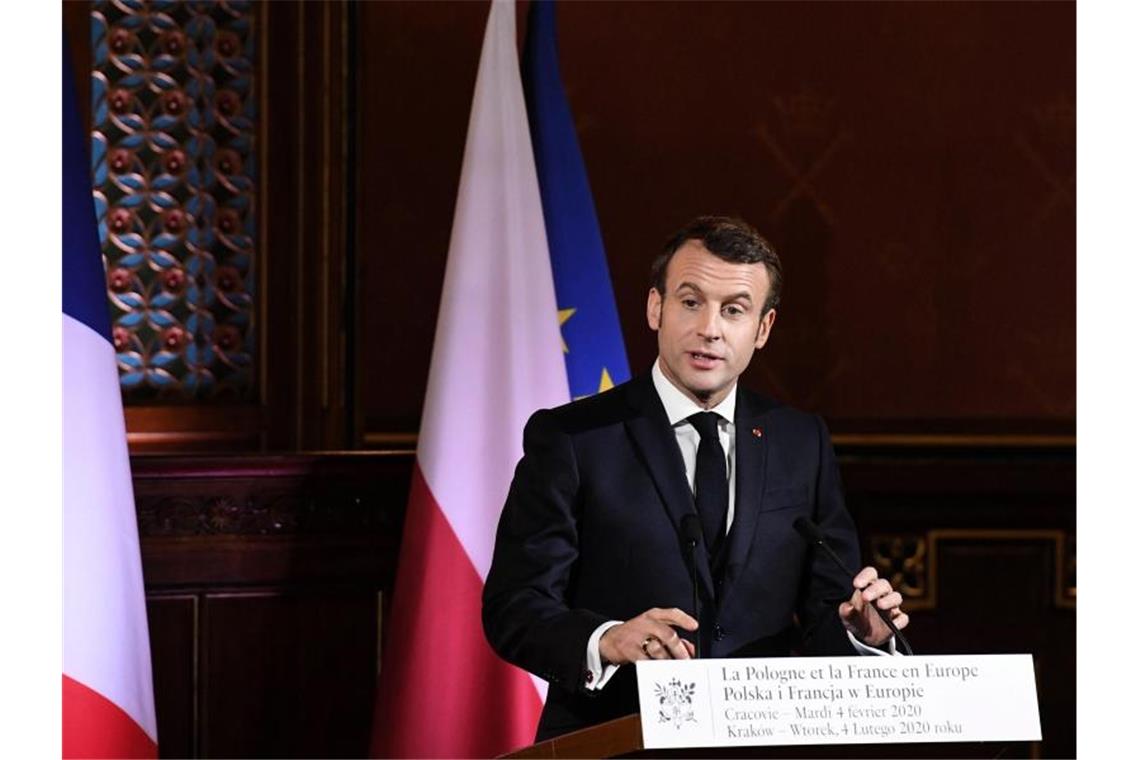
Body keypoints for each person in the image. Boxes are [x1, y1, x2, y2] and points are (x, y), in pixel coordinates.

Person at [482, 216, 909, 741]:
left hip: (762, 746)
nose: (710, 328)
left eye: (734, 310)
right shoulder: (574, 438)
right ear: (655, 307)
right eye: (690, 301)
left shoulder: (801, 443)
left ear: (763, 328)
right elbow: (515, 606)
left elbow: (825, 609)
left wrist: (858, 631)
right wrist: (607, 639)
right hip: (612, 742)